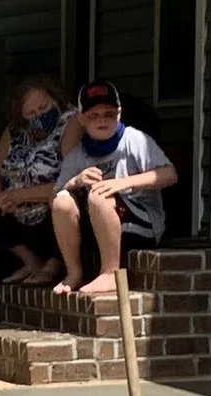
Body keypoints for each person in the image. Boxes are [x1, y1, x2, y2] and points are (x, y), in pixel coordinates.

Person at [50, 81, 177, 302]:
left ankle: (110, 272)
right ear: (81, 119)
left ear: (119, 114)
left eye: (109, 114)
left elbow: (169, 175)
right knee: (62, 200)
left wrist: (122, 183)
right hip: (99, 223)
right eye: (93, 115)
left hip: (142, 224)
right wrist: (76, 181)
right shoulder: (78, 154)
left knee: (100, 195)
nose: (102, 119)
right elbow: (55, 196)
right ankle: (74, 273)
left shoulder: (135, 140)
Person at [0, 73, 76, 285]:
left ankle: (55, 263)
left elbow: (70, 179)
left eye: (44, 107)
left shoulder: (72, 122)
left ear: (55, 99)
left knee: (65, 200)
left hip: (48, 209)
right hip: (17, 211)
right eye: (31, 112)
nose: (38, 115)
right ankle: (30, 261)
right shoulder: (15, 130)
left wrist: (20, 195)